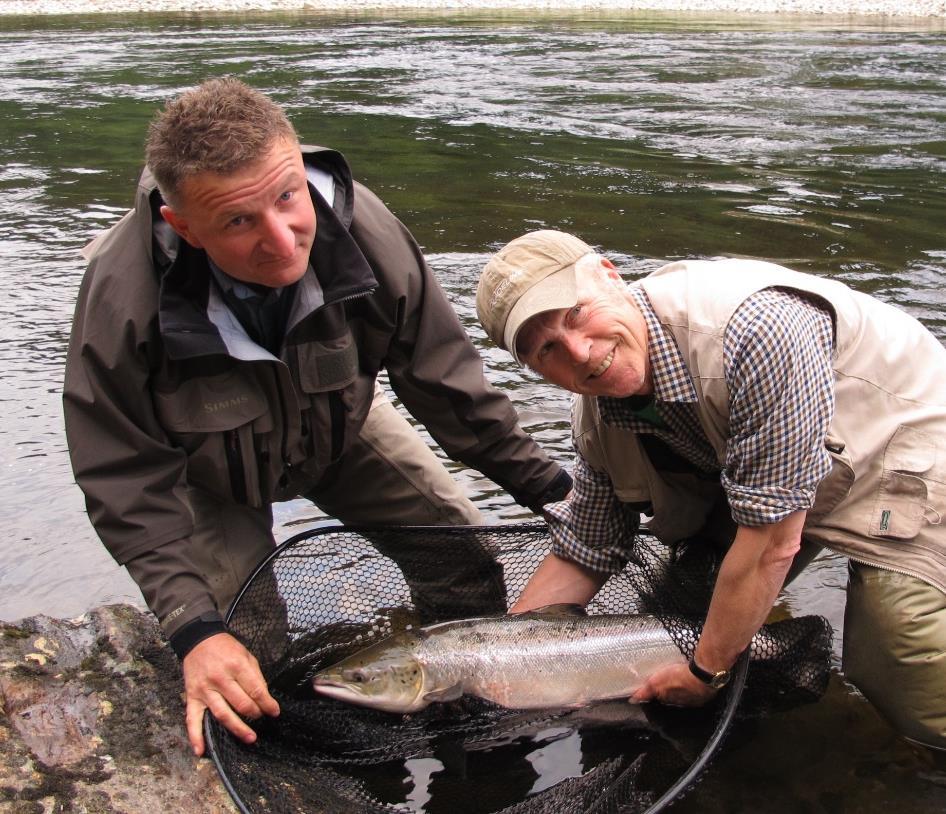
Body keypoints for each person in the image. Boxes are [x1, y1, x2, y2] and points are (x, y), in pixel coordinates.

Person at [62, 79, 571, 758]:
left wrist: (548, 489)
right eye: (239, 221)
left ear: (300, 168)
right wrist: (192, 628)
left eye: (287, 197)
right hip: (203, 474)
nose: (282, 240)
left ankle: (475, 749)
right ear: (183, 226)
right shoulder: (123, 298)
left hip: (344, 427)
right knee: (247, 655)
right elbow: (123, 475)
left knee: (466, 559)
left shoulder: (367, 236)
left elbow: (447, 388)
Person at [476, 229, 946, 751]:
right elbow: (587, 548)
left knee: (899, 658)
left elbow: (770, 544)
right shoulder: (596, 419)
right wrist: (491, 655)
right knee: (686, 606)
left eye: (576, 315)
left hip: (898, 444)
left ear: (610, 275)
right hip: (768, 480)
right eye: (548, 349)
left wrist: (706, 672)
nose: (581, 352)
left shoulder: (757, 331)